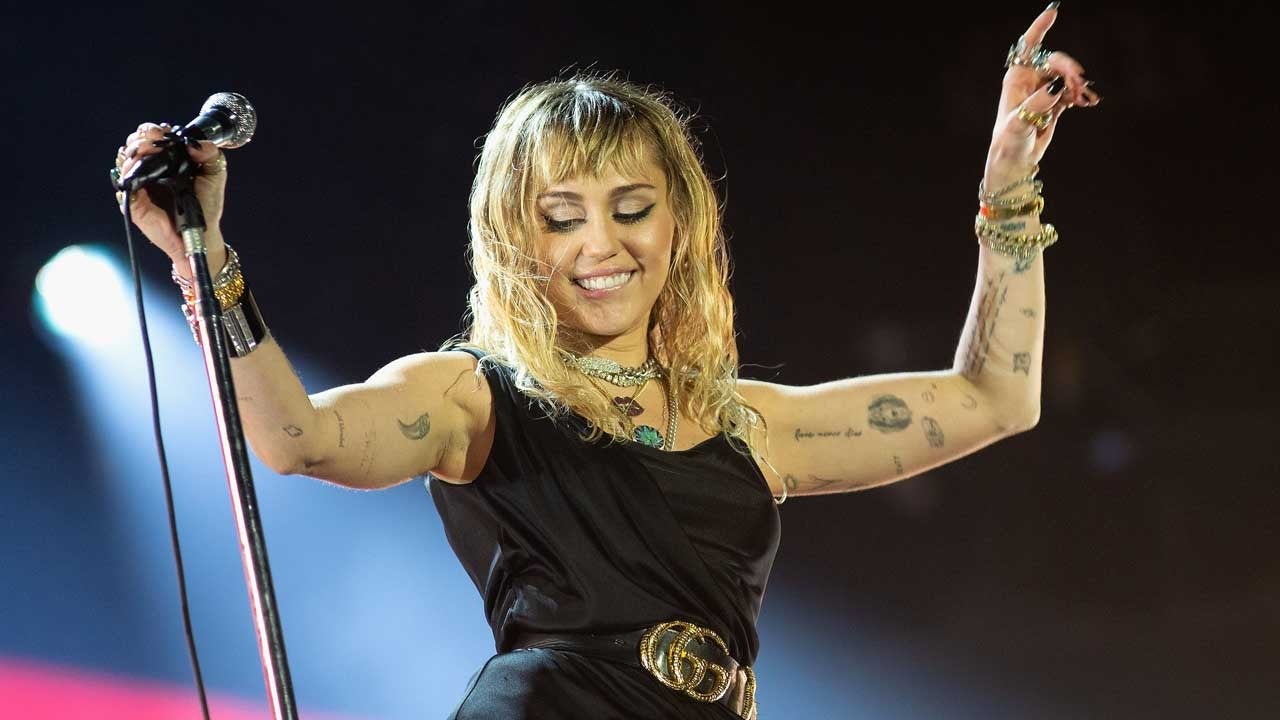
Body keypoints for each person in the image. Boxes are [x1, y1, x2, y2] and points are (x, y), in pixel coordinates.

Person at [113, 6, 1098, 718]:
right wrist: (208, 265)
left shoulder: (750, 425)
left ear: (679, 224)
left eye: (630, 209)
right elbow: (299, 438)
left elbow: (993, 399)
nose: (601, 245)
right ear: (515, 237)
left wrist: (1008, 191)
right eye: (561, 217)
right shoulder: (470, 394)